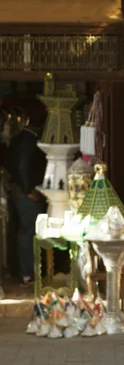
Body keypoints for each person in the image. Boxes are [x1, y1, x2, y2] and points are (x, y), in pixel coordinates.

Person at [5, 109, 47, 285]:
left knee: (26, 227)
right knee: (29, 228)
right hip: (24, 190)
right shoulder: (29, 140)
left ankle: (26, 270)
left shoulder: (19, 138)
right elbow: (22, 165)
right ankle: (27, 272)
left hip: (18, 188)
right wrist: (28, 189)